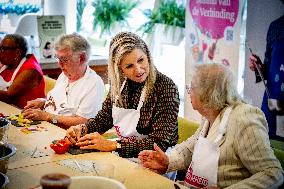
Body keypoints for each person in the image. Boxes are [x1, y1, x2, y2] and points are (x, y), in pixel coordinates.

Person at [139, 63, 283, 188]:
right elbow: (191, 147)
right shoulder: (211, 115)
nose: (189, 91)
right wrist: (167, 161)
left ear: (207, 92)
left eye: (192, 87)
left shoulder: (244, 118)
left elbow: (272, 173)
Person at [65, 32, 180, 158]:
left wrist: (115, 145)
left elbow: (160, 142)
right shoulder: (119, 85)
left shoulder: (165, 87)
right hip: (125, 156)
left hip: (156, 160)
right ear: (120, 68)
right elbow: (103, 120)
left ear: (147, 55)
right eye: (129, 66)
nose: (138, 69)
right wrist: (82, 129)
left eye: (141, 60)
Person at [23, 33, 105, 129]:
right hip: (46, 126)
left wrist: (47, 117)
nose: (60, 64)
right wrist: (44, 102)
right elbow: (62, 104)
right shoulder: (65, 75)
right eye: (58, 58)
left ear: (82, 58)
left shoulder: (93, 83)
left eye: (65, 59)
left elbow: (83, 122)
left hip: (65, 135)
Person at [248, 0, 284, 141]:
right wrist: (258, 66)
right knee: (270, 147)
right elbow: (268, 69)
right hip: (272, 104)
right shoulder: (275, 27)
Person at [0, 34, 45, 108]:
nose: (0, 52)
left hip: (28, 115)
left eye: (3, 49)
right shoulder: (6, 65)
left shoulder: (30, 70)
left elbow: (9, 97)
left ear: (17, 53)